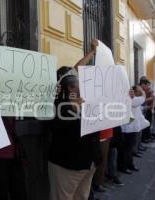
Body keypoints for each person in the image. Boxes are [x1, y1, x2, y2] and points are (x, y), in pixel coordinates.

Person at [47, 39, 101, 200]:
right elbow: (54, 124)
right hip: (67, 166)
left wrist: (92, 53)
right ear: (68, 87)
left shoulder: (88, 99)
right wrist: (71, 107)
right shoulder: (57, 105)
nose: (82, 83)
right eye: (75, 83)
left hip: (88, 163)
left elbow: (76, 70)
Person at [120, 85, 150, 174]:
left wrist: (141, 92)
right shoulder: (129, 99)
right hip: (127, 129)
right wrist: (143, 93)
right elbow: (140, 100)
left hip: (132, 129)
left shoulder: (133, 98)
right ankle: (124, 167)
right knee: (126, 150)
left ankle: (130, 164)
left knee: (130, 148)